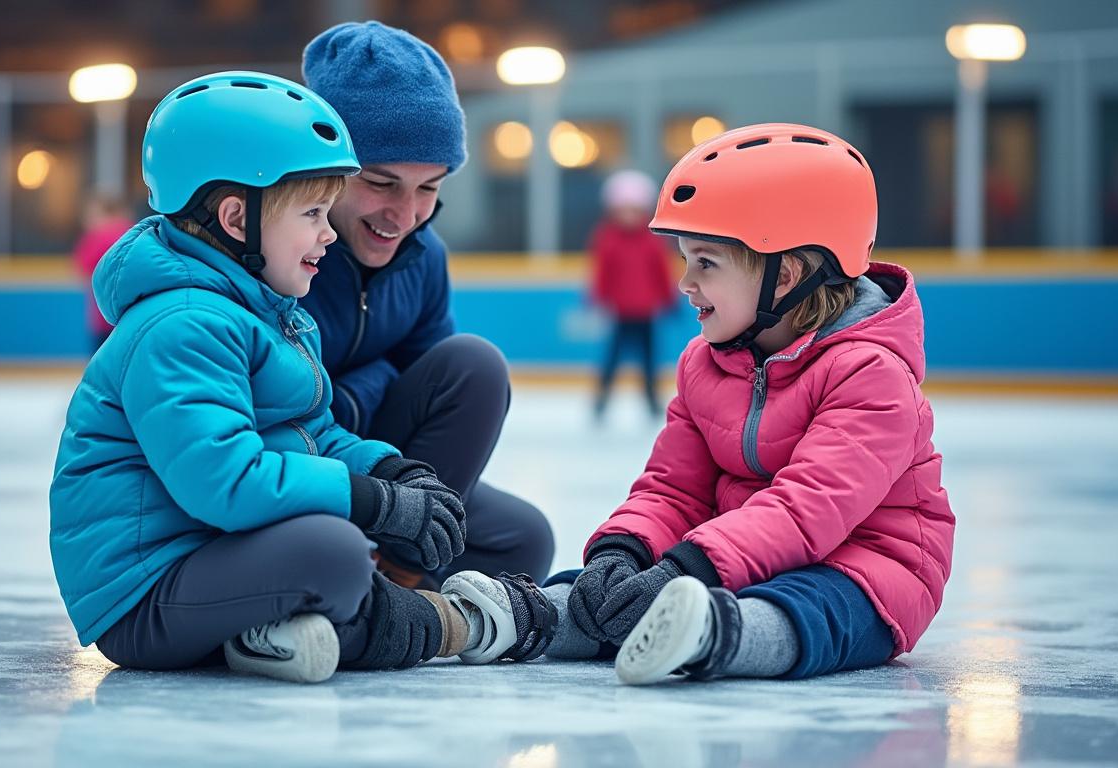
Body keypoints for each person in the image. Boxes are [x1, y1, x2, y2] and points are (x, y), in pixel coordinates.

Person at [48, 71, 555, 684]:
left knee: (376, 549)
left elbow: (315, 431)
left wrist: (392, 470)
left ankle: (277, 630)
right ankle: (442, 621)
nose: (329, 232)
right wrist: (374, 502)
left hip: (221, 550)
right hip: (150, 591)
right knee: (332, 555)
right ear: (238, 219)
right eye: (314, 212)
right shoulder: (182, 326)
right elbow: (225, 482)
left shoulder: (268, 311)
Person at [499, 124, 955, 685]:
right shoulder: (704, 364)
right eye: (684, 259)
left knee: (810, 605)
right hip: (731, 556)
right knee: (613, 589)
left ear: (784, 274)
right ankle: (532, 616)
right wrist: (625, 553)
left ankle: (711, 632)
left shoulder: (872, 374)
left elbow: (803, 508)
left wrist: (689, 568)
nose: (685, 283)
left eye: (706, 263)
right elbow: (673, 490)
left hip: (865, 569)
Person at [298, 21, 555, 590]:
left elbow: (441, 388)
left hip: (384, 471)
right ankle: (377, 583)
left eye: (429, 187)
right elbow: (285, 408)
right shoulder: (280, 252)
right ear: (327, 170)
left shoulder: (423, 257)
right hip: (299, 473)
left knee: (522, 540)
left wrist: (362, 395)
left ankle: (399, 575)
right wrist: (370, 391)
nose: (405, 213)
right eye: (381, 182)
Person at [588, 169, 678, 419]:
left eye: (634, 210)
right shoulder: (608, 239)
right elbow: (602, 273)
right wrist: (597, 298)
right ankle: (601, 400)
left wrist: (669, 300)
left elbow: (661, 272)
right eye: (623, 210)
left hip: (647, 312)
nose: (629, 216)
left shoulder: (652, 241)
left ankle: (651, 399)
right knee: (612, 358)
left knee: (650, 360)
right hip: (620, 312)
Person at [72, 194, 134, 351]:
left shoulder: (97, 236)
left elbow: (80, 268)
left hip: (103, 316)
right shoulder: (134, 232)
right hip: (132, 314)